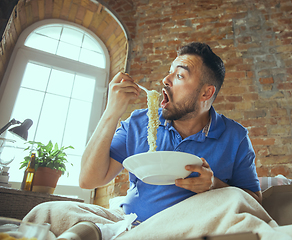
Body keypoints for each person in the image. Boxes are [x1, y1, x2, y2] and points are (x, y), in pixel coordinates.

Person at [79, 42, 262, 223]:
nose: (165, 80)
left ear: (206, 93)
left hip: (193, 231)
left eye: (180, 75)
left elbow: (255, 202)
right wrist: (111, 111)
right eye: (170, 71)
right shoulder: (140, 122)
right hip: (131, 225)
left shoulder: (235, 137)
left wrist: (215, 185)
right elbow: (88, 180)